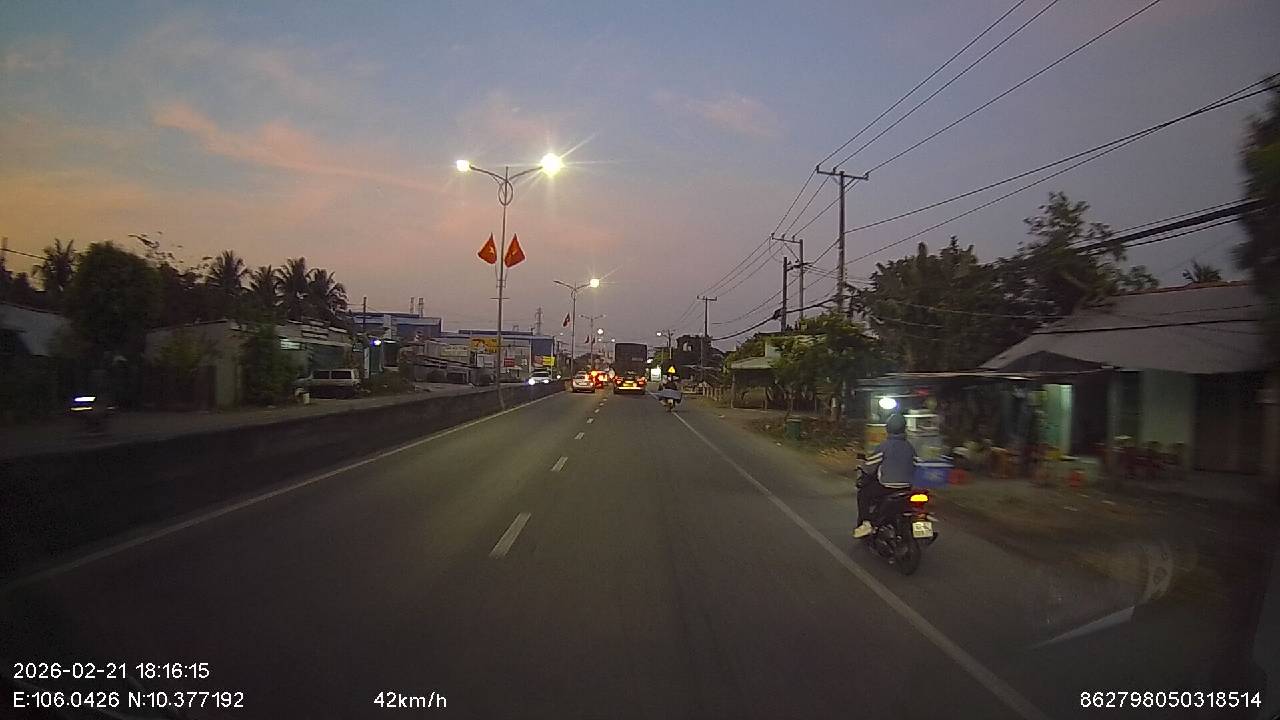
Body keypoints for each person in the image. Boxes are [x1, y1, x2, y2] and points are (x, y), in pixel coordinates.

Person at [853, 413, 918, 538]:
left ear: (888, 428)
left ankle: (866, 523)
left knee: (863, 494)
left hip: (887, 487)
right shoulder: (910, 447)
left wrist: (863, 466)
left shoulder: (884, 446)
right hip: (907, 487)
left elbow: (870, 466)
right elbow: (916, 464)